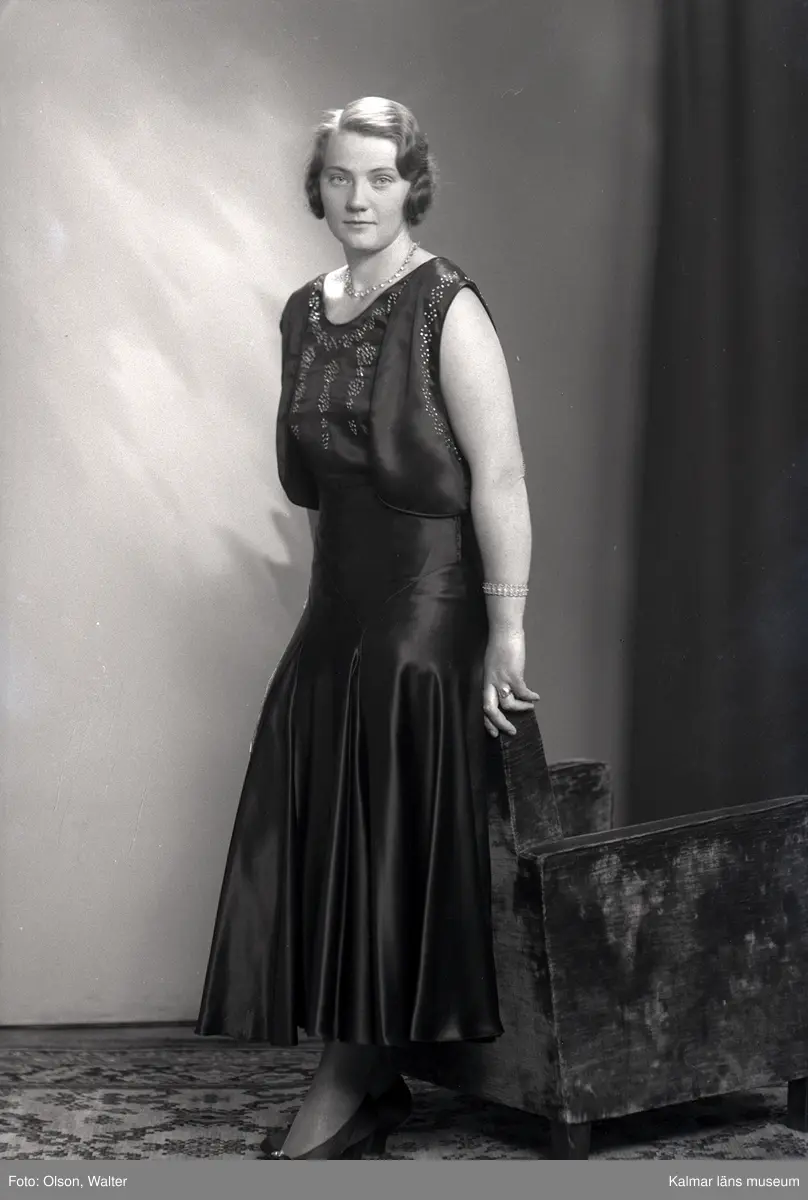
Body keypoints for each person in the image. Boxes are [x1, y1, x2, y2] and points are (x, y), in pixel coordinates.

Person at [194, 95, 541, 1160]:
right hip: (339, 601)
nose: (358, 197)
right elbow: (315, 485)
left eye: (380, 178)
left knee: (386, 821)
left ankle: (348, 1082)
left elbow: (501, 478)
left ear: (412, 187)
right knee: (327, 819)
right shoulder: (304, 311)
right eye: (340, 177)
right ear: (319, 188)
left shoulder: (447, 304)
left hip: (432, 602)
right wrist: (327, 613)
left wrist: (506, 631)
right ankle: (374, 1076)